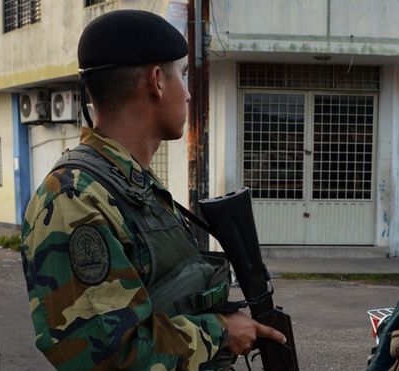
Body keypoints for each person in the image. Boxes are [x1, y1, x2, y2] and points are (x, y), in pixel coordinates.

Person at [20, 10, 285, 370]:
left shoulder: (130, 186)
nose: (189, 94)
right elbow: (108, 357)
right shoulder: (75, 200)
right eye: (184, 75)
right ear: (157, 81)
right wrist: (219, 330)